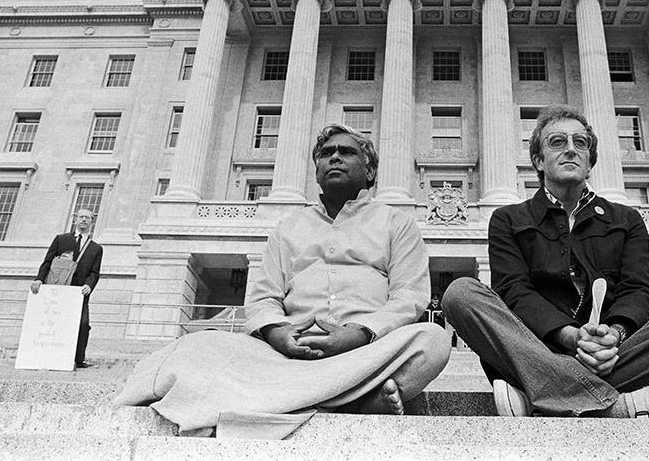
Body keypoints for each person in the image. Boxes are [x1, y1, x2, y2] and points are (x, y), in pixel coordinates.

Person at [116, 125, 450, 436]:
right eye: (326, 153)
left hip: (366, 350)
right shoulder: (288, 227)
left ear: (370, 170)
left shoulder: (397, 223)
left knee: (432, 340)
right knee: (199, 344)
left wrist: (359, 335)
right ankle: (353, 401)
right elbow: (263, 299)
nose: (334, 157)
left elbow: (409, 296)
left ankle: (287, 401)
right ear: (317, 171)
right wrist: (276, 332)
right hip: (289, 356)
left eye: (346, 152)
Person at [443, 105, 649, 418]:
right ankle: (620, 405)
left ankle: (545, 395)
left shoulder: (627, 219)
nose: (570, 150)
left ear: (590, 161)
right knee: (461, 294)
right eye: (557, 142)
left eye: (580, 143)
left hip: (614, 353)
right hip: (536, 349)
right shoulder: (507, 219)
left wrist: (613, 335)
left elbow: (639, 290)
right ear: (538, 160)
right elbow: (513, 292)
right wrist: (571, 336)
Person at [31, 208, 103, 369]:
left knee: (83, 324)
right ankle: (46, 356)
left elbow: (95, 272)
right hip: (59, 289)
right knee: (53, 323)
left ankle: (79, 359)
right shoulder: (61, 239)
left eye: (88, 218)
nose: (84, 220)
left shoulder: (96, 248)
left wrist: (89, 285)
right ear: (75, 219)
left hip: (79, 292)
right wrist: (39, 279)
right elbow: (48, 261)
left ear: (92, 221)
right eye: (81, 217)